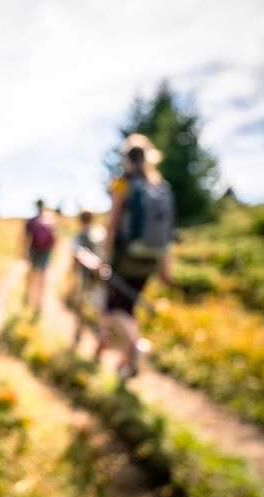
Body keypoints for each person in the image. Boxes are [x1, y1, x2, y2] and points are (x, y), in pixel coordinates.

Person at [101, 134, 174, 380]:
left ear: (126, 158)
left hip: (125, 258)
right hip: (150, 260)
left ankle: (135, 346)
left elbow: (112, 222)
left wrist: (104, 255)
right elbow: (167, 234)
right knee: (128, 308)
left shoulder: (122, 184)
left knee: (114, 309)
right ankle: (127, 363)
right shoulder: (159, 186)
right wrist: (165, 267)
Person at [71, 210, 106, 345]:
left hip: (85, 276)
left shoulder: (78, 237)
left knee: (81, 304)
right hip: (102, 275)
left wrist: (73, 278)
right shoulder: (100, 232)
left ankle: (79, 331)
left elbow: (76, 257)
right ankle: (102, 336)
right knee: (101, 307)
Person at [22, 199, 56, 320]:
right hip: (46, 252)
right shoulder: (50, 220)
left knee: (31, 274)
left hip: (34, 250)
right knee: (42, 277)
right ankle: (40, 303)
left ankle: (27, 296)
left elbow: (26, 238)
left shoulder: (31, 221)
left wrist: (23, 251)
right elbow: (55, 239)